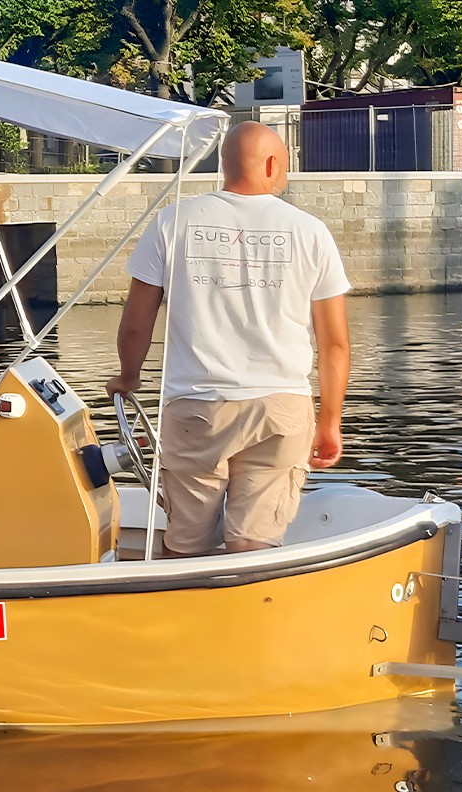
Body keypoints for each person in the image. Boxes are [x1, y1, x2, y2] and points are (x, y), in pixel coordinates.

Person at [105, 121, 350, 556]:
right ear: (273, 164)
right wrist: (330, 421)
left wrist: (128, 377)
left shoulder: (173, 221)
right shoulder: (311, 231)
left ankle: (185, 615)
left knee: (185, 544)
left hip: (197, 407)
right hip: (280, 408)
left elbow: (137, 322)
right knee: (254, 541)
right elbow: (334, 343)